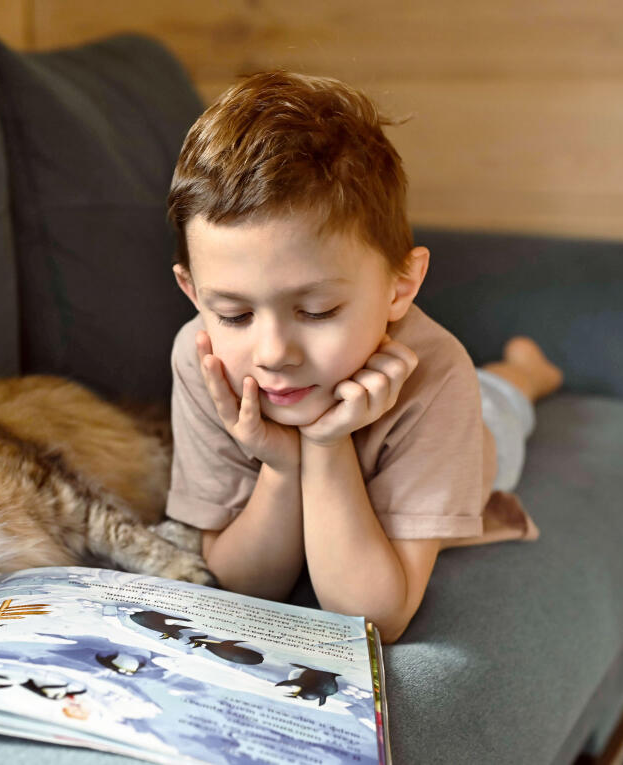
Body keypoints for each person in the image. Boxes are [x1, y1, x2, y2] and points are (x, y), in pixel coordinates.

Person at [164, 71, 563, 643]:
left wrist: (326, 443)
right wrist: (283, 466)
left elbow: (375, 616)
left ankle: (525, 372)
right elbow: (243, 585)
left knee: (500, 400)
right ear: (194, 293)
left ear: (401, 286)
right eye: (234, 314)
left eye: (318, 310)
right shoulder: (203, 361)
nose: (273, 354)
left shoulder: (438, 376)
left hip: (468, 431)